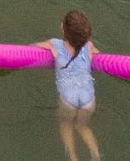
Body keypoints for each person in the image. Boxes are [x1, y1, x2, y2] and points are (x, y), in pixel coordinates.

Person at [38, 10, 101, 161]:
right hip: (89, 100)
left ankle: (73, 157)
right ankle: (96, 154)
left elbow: (32, 49)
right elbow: (98, 56)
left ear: (63, 29)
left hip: (68, 101)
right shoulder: (90, 46)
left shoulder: (54, 44)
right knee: (82, 126)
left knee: (65, 124)